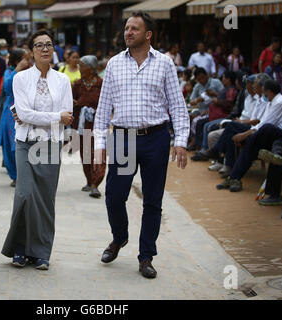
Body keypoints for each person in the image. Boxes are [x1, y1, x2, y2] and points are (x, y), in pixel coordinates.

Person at [93, 12, 190, 279]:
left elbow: (178, 107)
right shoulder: (114, 64)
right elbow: (103, 110)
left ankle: (146, 255)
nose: (129, 32)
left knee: (153, 201)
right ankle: (119, 237)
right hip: (123, 138)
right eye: (127, 28)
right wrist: (99, 144)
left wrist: (180, 142)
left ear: (148, 35)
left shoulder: (165, 64)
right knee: (114, 196)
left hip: (155, 139)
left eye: (135, 28)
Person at [1, 30, 74, 270]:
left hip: (50, 144)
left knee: (44, 199)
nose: (45, 49)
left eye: (49, 45)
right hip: (25, 143)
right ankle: (20, 249)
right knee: (24, 194)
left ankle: (41, 252)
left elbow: (68, 115)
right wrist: (54, 116)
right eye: (39, 45)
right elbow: (23, 114)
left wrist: (48, 119)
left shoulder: (62, 80)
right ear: (31, 51)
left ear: (53, 50)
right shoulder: (20, 79)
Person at [217, 80, 282, 192]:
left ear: (269, 91)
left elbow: (266, 123)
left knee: (262, 131)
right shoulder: (271, 101)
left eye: (265, 92)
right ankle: (234, 177)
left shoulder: (280, 102)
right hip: (267, 133)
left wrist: (245, 135)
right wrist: (247, 133)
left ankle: (233, 177)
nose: (264, 95)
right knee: (243, 135)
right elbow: (262, 122)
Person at [72, 55, 105, 198]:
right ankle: (89, 181)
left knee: (97, 154)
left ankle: (95, 185)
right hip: (82, 125)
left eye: (82, 66)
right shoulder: (78, 84)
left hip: (98, 124)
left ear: (91, 69)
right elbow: (72, 102)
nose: (79, 68)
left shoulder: (101, 84)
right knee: (85, 154)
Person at [0, 48, 31, 187]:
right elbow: (7, 88)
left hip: (28, 111)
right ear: (17, 61)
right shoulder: (10, 72)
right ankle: (15, 175)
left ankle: (26, 174)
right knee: (9, 144)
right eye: (26, 58)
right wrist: (17, 70)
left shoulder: (32, 73)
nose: (29, 61)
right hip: (11, 112)